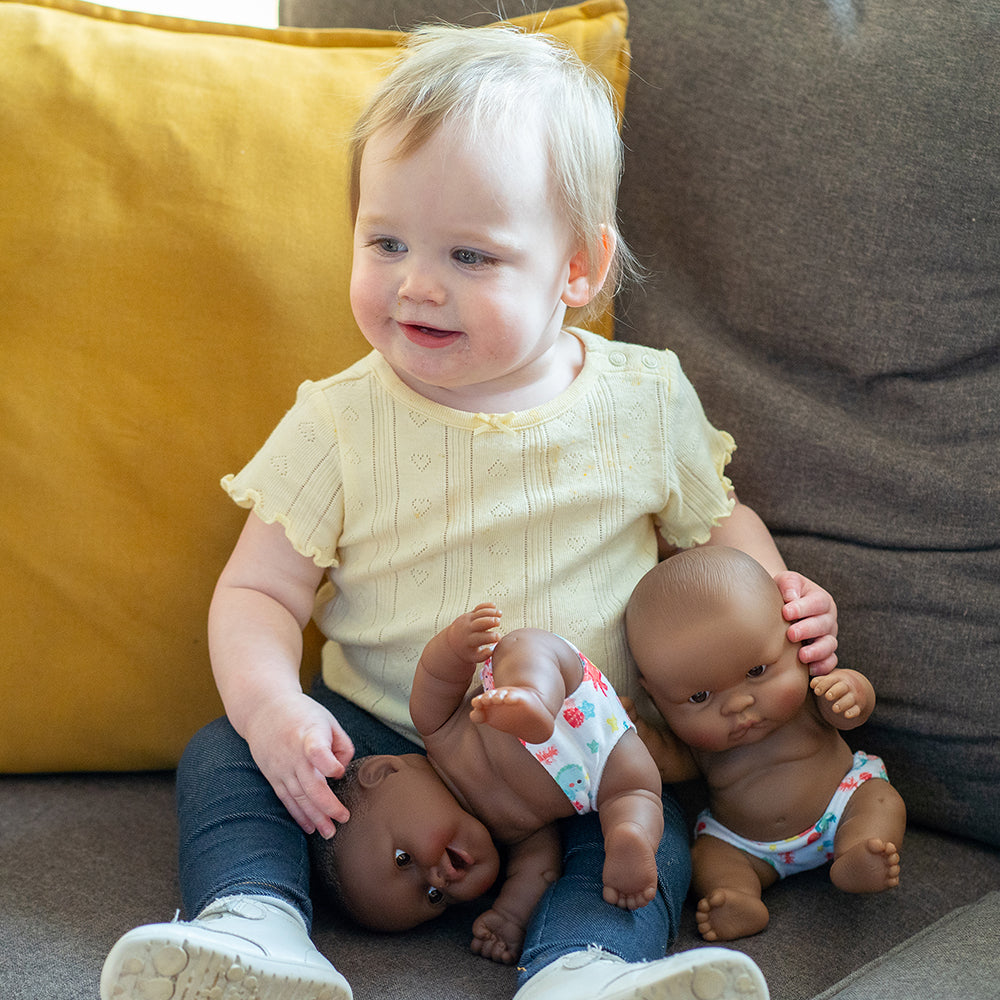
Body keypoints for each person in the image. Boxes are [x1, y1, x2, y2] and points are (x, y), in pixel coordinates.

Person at [100, 22, 838, 1000]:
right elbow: (260, 589)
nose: (416, 282)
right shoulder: (340, 419)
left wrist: (777, 594)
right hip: (378, 743)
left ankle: (585, 967)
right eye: (387, 240)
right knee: (227, 751)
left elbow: (713, 530)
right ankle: (252, 926)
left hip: (581, 757)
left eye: (470, 255)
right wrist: (275, 709)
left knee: (648, 827)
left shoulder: (644, 398)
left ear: (576, 268)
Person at [309, 602, 665, 965]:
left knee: (519, 648)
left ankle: (534, 699)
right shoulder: (519, 836)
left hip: (558, 689)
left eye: (404, 859)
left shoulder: (437, 729)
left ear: (383, 773)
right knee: (636, 792)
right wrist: (509, 918)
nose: (439, 879)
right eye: (434, 897)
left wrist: (455, 646)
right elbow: (538, 874)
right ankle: (632, 835)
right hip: (603, 765)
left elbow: (438, 676)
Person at [625, 546, 905, 943]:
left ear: (795, 637)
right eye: (700, 697)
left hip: (840, 806)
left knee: (881, 800)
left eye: (756, 671)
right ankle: (738, 897)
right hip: (746, 845)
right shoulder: (699, 745)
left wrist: (850, 692)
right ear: (655, 698)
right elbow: (669, 764)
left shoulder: (812, 693)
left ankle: (858, 851)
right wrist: (635, 732)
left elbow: (853, 712)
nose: (738, 704)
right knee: (707, 858)